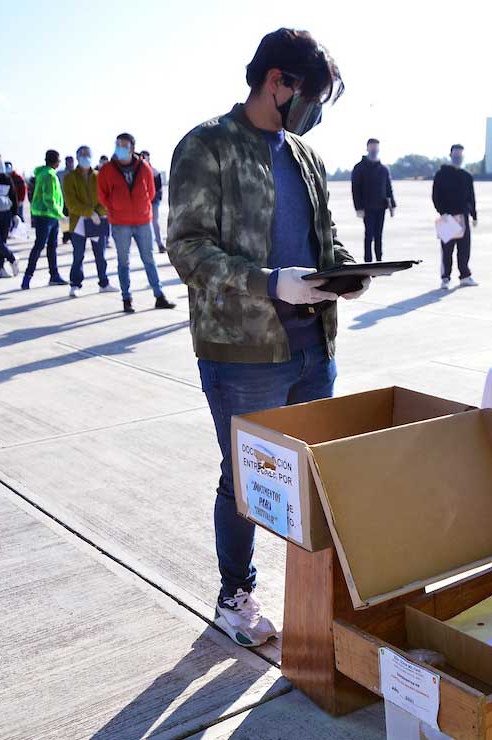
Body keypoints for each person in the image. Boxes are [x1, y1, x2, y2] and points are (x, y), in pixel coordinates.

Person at [168, 27, 359, 647]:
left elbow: (322, 239)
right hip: (244, 352)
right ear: (277, 81)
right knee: (246, 479)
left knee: (315, 474)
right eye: (312, 98)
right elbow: (189, 249)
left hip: (312, 346)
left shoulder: (305, 156)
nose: (316, 114)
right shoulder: (207, 147)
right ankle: (235, 593)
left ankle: (315, 590)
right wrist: (271, 283)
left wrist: (345, 270)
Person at [98, 132, 176, 313]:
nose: (119, 148)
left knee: (149, 259)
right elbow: (102, 195)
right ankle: (127, 298)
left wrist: (141, 207)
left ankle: (159, 295)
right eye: (117, 144)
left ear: (132, 148)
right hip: (120, 222)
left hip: (142, 221)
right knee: (123, 261)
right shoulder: (107, 170)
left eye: (123, 145)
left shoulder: (144, 167)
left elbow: (151, 191)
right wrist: (115, 207)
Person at [63, 145, 116, 297]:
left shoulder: (99, 176)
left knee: (101, 254)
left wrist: (98, 213)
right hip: (78, 222)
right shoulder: (70, 177)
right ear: (78, 157)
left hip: (97, 221)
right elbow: (71, 203)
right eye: (82, 154)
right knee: (78, 255)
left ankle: (104, 282)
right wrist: (88, 212)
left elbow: (106, 198)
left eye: (88, 154)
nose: (85, 157)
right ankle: (75, 284)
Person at [431, 144, 477, 289]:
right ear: (450, 155)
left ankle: (465, 276)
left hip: (463, 216)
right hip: (447, 217)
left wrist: (474, 215)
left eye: (460, 156)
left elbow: (471, 197)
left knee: (464, 249)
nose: (458, 158)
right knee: (447, 250)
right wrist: (442, 212)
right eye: (456, 155)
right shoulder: (441, 175)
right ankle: (445, 278)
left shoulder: (467, 176)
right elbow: (435, 196)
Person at [25, 149, 68, 287]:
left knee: (49, 246)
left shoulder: (42, 173)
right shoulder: (49, 175)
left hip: (45, 215)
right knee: (42, 246)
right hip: (48, 216)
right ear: (55, 161)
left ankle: (53, 275)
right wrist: (60, 215)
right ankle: (28, 276)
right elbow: (49, 199)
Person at [351, 138, 395, 262]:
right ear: (367, 148)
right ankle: (368, 261)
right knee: (369, 235)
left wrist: (393, 205)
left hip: (381, 207)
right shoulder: (359, 168)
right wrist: (358, 208)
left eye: (376, 147)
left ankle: (379, 260)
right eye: (372, 147)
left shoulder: (384, 169)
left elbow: (388, 188)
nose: (374, 149)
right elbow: (355, 189)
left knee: (379, 235)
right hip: (367, 208)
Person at [141, 150, 166, 253]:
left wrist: (157, 198)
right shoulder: (138, 172)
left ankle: (159, 244)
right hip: (143, 202)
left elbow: (159, 188)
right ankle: (147, 246)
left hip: (154, 201)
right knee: (144, 224)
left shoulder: (154, 172)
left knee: (155, 222)